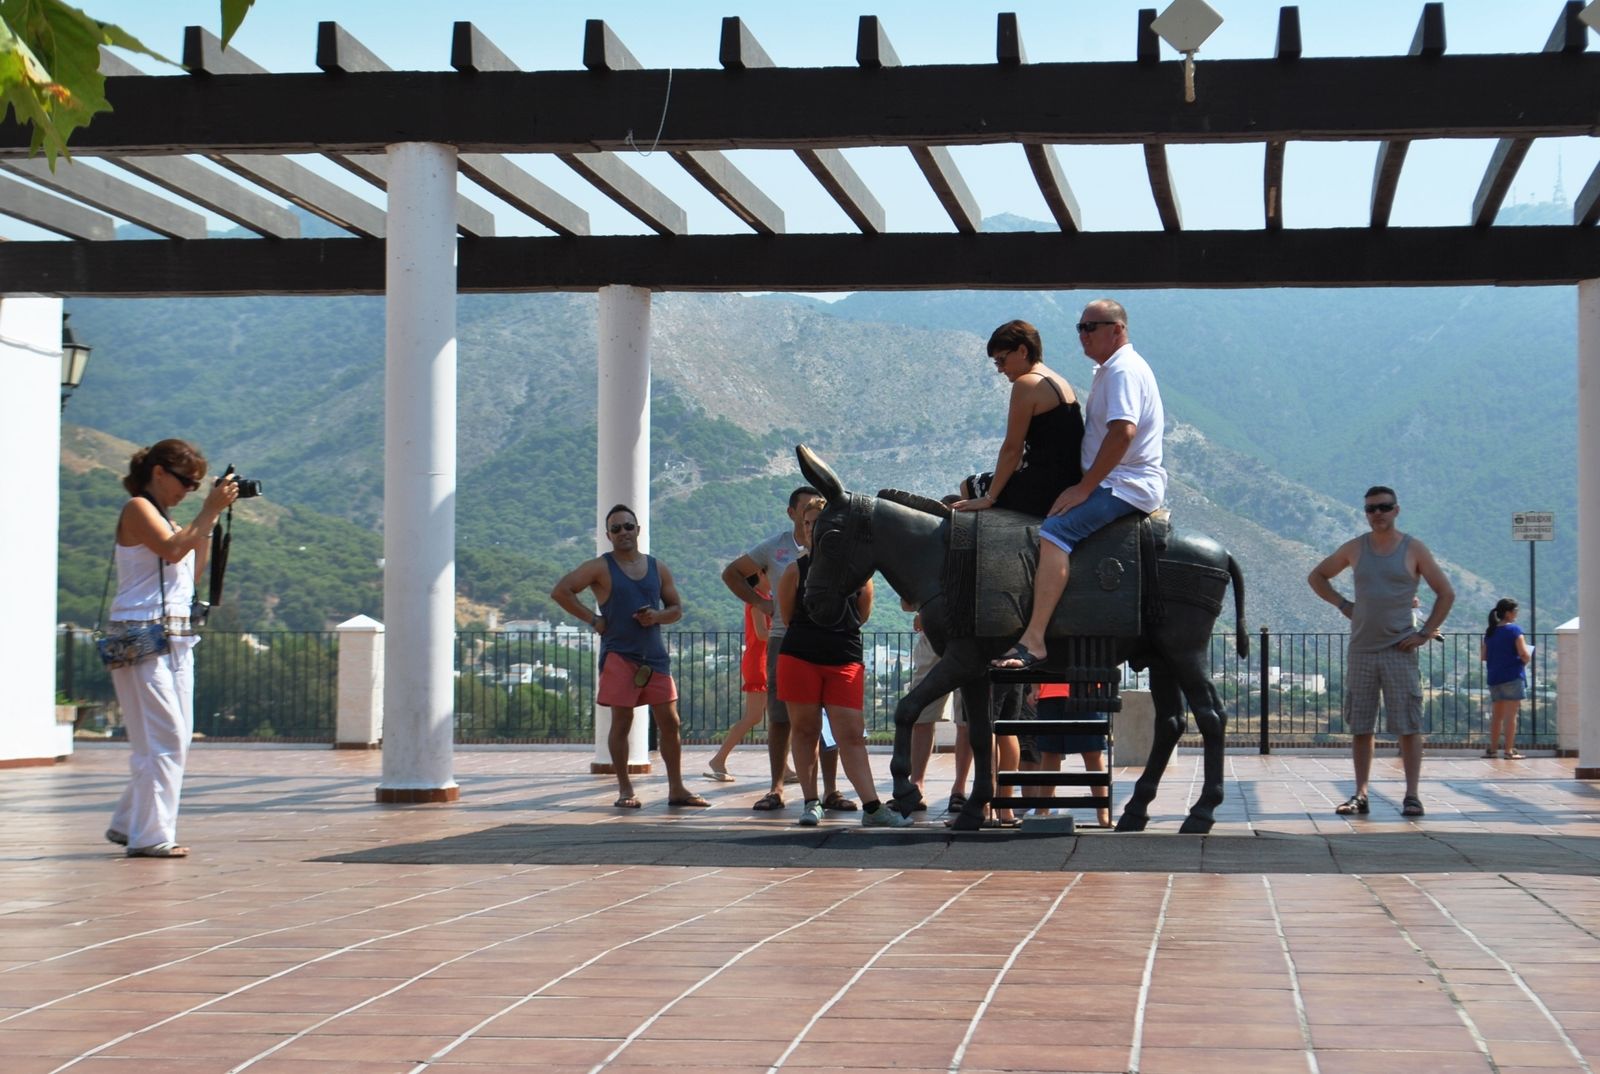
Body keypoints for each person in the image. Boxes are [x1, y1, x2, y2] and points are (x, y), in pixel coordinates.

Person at [993, 300, 1166, 670]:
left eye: (1091, 327)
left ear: (1117, 329)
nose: (1083, 335)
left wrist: (1084, 488)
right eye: (1080, 328)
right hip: (1115, 479)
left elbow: (1123, 433)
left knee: (1056, 531)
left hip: (1125, 484)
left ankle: (1035, 639)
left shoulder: (1122, 371)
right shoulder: (1110, 369)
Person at [106, 439, 239, 858]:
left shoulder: (169, 518)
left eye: (197, 486)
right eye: (185, 481)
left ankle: (130, 823)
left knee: (171, 740)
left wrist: (207, 526)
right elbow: (170, 548)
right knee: (165, 738)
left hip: (176, 637)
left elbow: (187, 573)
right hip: (141, 637)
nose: (189, 491)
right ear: (159, 472)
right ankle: (150, 837)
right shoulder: (138, 509)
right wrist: (210, 510)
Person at [1308, 486, 1455, 818]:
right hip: (1361, 648)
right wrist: (1343, 604)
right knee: (1361, 725)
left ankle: (1412, 796)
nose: (1377, 514)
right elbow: (1317, 576)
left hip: (1399, 649)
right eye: (1371, 509)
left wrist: (1425, 633)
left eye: (1383, 508)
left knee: (1408, 724)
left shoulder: (1413, 548)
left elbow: (1446, 593)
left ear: (1396, 510)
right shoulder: (1356, 548)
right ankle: (1360, 794)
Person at [551, 504, 708, 810]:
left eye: (628, 526)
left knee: (670, 722)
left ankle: (676, 787)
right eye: (616, 528)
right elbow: (561, 591)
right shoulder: (600, 567)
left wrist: (657, 616)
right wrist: (593, 620)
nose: (623, 532)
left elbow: (676, 609)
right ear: (608, 535)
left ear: (639, 530)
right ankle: (625, 789)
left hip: (655, 658)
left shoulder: (657, 567)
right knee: (621, 722)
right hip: (619, 656)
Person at [777, 503, 910, 828]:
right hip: (799, 657)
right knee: (805, 731)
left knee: (851, 734)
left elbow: (861, 614)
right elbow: (787, 617)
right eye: (807, 523)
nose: (811, 529)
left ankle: (872, 807)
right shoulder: (795, 570)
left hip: (844, 657)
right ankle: (811, 803)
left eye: (817, 523)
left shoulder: (859, 571)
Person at [721, 487, 853, 814]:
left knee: (825, 718)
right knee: (780, 717)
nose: (812, 516)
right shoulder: (776, 547)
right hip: (785, 640)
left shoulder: (835, 547)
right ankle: (776, 788)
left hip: (827, 639)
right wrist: (761, 603)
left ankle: (831, 791)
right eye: (806, 509)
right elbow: (732, 573)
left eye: (816, 510)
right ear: (792, 513)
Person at [952, 319, 1085, 517]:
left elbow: (1012, 449)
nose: (999, 368)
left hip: (1044, 490)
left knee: (969, 486)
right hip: (1068, 483)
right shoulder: (1058, 380)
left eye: (1001, 360)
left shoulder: (1027, 383)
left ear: (1023, 351)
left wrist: (989, 498)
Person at [704, 571, 770, 781]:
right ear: (761, 574)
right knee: (756, 716)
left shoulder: (765, 599)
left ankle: (783, 767)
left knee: (766, 717)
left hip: (764, 660)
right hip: (759, 662)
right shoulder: (758, 601)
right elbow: (761, 633)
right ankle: (718, 759)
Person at [1480, 597, 1531, 760]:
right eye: (1515, 611)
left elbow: (1484, 656)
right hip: (1512, 676)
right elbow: (1524, 654)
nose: (1516, 614)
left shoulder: (1490, 632)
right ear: (1508, 613)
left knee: (1497, 716)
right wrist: (1524, 660)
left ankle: (1492, 750)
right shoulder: (1515, 631)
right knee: (1511, 716)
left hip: (1494, 677)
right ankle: (1509, 751)